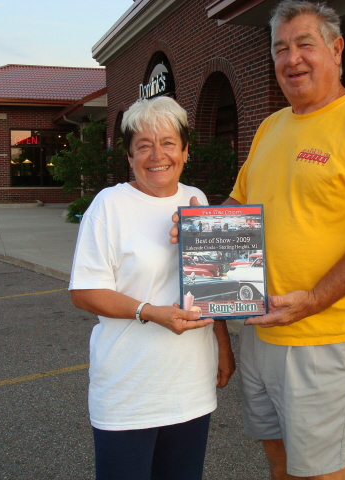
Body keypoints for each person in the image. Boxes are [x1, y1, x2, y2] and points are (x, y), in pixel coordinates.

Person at [170, 1, 345, 478]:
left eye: (305, 44)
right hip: (262, 327)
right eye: (280, 48)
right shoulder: (272, 127)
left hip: (328, 334)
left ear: (336, 48)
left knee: (322, 471)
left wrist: (314, 299)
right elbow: (237, 205)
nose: (292, 59)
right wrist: (196, 228)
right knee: (278, 457)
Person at [69, 96, 235, 480]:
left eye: (168, 143)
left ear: (185, 150)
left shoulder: (198, 201)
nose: (157, 155)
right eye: (143, 145)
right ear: (129, 156)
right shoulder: (108, 206)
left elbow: (213, 286)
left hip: (190, 383)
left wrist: (223, 347)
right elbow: (84, 292)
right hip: (130, 387)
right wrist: (150, 312)